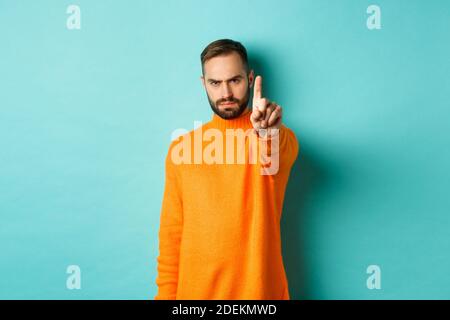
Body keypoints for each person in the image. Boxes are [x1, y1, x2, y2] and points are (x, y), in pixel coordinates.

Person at [154, 39, 299, 300]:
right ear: (203, 84)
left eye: (235, 80)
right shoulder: (182, 149)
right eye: (215, 83)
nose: (226, 93)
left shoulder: (276, 139)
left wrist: (267, 132)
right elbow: (171, 238)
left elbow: (275, 150)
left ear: (251, 79)